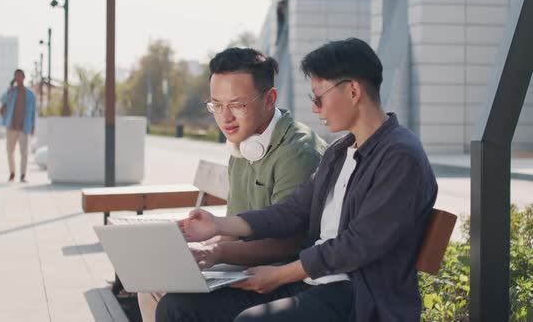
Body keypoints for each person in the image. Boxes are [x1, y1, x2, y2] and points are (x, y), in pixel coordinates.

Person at [167, 38, 439, 322]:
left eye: (318, 97)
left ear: (354, 90)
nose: (315, 109)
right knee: (179, 306)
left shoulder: (399, 157)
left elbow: (358, 246)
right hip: (313, 283)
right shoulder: (339, 151)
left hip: (358, 296)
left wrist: (279, 275)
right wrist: (218, 225)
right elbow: (293, 210)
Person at [137, 47, 327, 322]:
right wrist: (192, 251)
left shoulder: (298, 152)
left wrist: (215, 251)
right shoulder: (243, 145)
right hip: (246, 265)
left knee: (174, 302)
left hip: (283, 275)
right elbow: (232, 231)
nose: (225, 117)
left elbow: (287, 243)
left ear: (269, 99)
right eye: (217, 105)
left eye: (237, 105)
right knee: (152, 284)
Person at [0, 69, 36, 183]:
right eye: (16, 76)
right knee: (9, 150)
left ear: (24, 77)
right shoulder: (12, 92)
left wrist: (33, 126)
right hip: (11, 126)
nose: (18, 78)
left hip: (24, 127)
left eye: (20, 76)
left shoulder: (30, 95)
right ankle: (12, 172)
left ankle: (23, 175)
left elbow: (33, 112)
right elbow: (2, 101)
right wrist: (9, 90)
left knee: (24, 152)